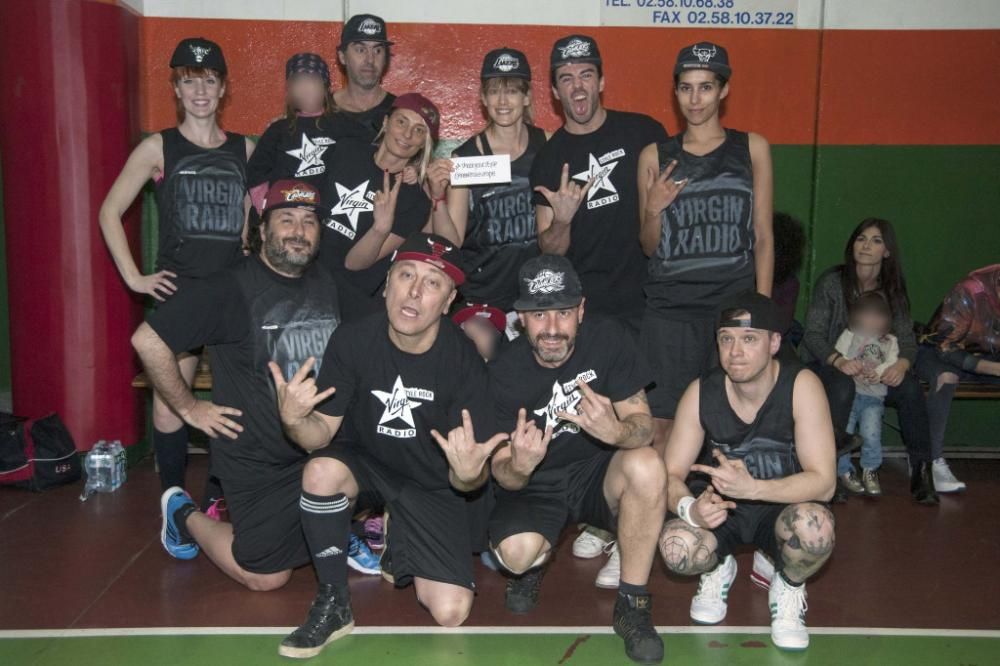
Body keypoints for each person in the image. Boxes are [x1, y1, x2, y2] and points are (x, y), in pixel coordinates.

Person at [272, 233, 504, 658]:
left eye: (432, 283)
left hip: (431, 482)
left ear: (448, 301)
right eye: (406, 275)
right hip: (368, 463)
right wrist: (295, 420)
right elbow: (319, 435)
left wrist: (469, 474)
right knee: (320, 471)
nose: (415, 291)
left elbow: (470, 478)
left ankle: (401, 535)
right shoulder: (353, 338)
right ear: (388, 283)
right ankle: (333, 602)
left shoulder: (464, 361)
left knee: (451, 612)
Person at [134, 181, 340, 589]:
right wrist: (189, 407)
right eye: (286, 220)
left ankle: (335, 527)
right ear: (262, 229)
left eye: (309, 221)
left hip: (321, 447)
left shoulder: (328, 282)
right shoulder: (229, 287)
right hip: (257, 461)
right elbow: (147, 340)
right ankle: (183, 514)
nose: (299, 231)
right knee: (266, 577)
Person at [488, 255, 667, 664]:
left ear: (581, 310)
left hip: (595, 472)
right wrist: (519, 465)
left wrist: (616, 432)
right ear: (520, 318)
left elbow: (644, 427)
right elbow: (502, 476)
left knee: (646, 464)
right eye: (539, 314)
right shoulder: (501, 372)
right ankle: (533, 565)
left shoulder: (609, 338)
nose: (552, 328)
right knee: (516, 554)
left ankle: (632, 605)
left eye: (564, 312)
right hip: (535, 483)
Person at [99, 37, 254, 498]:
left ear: (223, 88)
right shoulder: (158, 147)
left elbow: (255, 212)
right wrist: (134, 277)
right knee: (170, 406)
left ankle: (219, 498)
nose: (200, 91)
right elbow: (109, 211)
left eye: (209, 81)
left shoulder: (245, 150)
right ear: (176, 89)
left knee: (234, 405)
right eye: (189, 82)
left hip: (231, 292)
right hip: (180, 289)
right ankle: (173, 503)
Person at [658, 291, 836, 651]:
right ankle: (717, 567)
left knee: (816, 529)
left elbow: (824, 483)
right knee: (675, 550)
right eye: (726, 339)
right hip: (720, 511)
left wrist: (752, 488)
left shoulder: (801, 386)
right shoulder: (700, 393)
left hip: (780, 509)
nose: (735, 352)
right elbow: (669, 476)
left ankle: (788, 584)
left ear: (774, 343)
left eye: (749, 339)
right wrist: (691, 510)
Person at [637, 42, 774, 455]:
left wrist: (762, 313)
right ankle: (661, 499)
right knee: (661, 428)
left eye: (705, 87)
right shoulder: (655, 155)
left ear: (723, 90)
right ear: (675, 92)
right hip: (670, 311)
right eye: (685, 88)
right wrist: (654, 209)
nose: (694, 99)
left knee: (731, 426)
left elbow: (763, 235)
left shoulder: (752, 148)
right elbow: (648, 246)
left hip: (731, 309)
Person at [530, 34, 668, 331]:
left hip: (652, 303)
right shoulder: (547, 158)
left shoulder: (644, 133)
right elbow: (550, 252)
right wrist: (562, 221)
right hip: (588, 312)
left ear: (601, 82)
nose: (577, 86)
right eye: (566, 79)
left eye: (586, 75)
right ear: (555, 91)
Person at [800, 218, 938, 504]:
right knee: (842, 386)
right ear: (852, 245)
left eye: (876, 241)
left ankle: (923, 470)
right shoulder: (832, 282)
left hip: (875, 374)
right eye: (861, 238)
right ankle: (828, 472)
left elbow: (907, 340)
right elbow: (812, 334)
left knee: (910, 388)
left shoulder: (893, 290)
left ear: (887, 251)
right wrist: (838, 360)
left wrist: (901, 365)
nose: (866, 246)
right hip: (828, 365)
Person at [437, 47, 548, 322]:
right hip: (482, 296)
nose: (503, 100)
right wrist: (437, 198)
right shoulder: (465, 158)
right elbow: (453, 241)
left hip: (537, 293)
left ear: (527, 97)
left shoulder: (548, 144)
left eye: (512, 91)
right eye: (494, 91)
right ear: (483, 98)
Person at [318, 93, 440, 322]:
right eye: (401, 122)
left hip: (348, 304)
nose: (407, 135)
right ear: (386, 122)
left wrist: (380, 229)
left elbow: (354, 264)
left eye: (419, 130)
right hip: (302, 280)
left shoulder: (415, 201)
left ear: (425, 142)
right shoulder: (346, 151)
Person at [246, 53, 369, 215]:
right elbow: (255, 174)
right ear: (289, 90)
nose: (305, 87)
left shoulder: (343, 125)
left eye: (312, 80)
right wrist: (266, 208)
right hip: (284, 213)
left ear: (326, 87)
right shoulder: (278, 129)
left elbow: (375, 155)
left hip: (329, 215)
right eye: (298, 81)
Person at [917, 264, 1000, 492]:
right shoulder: (971, 290)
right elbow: (945, 346)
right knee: (946, 377)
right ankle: (931, 462)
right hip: (940, 353)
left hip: (990, 357)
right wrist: (993, 369)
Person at [833, 292, 898, 496]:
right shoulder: (849, 335)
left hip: (873, 397)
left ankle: (870, 470)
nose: (872, 321)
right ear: (856, 316)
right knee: (845, 434)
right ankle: (843, 471)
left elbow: (892, 362)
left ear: (887, 318)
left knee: (871, 434)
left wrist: (879, 372)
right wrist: (847, 363)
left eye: (878, 316)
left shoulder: (890, 341)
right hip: (850, 395)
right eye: (867, 315)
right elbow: (839, 356)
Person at [334, 14, 396, 137]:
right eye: (360, 50)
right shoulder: (320, 112)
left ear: (385, 58)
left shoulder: (400, 114)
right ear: (342, 57)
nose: (370, 60)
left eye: (377, 50)